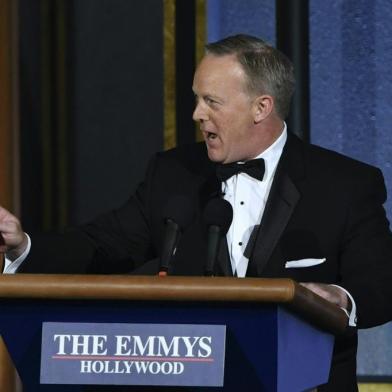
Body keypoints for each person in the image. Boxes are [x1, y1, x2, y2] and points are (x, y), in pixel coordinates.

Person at [1, 34, 392, 391]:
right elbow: (103, 245)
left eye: (211, 101)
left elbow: (381, 286)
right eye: (196, 98)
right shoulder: (173, 174)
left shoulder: (345, 185)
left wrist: (338, 298)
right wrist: (23, 247)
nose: (196, 114)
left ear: (261, 107)